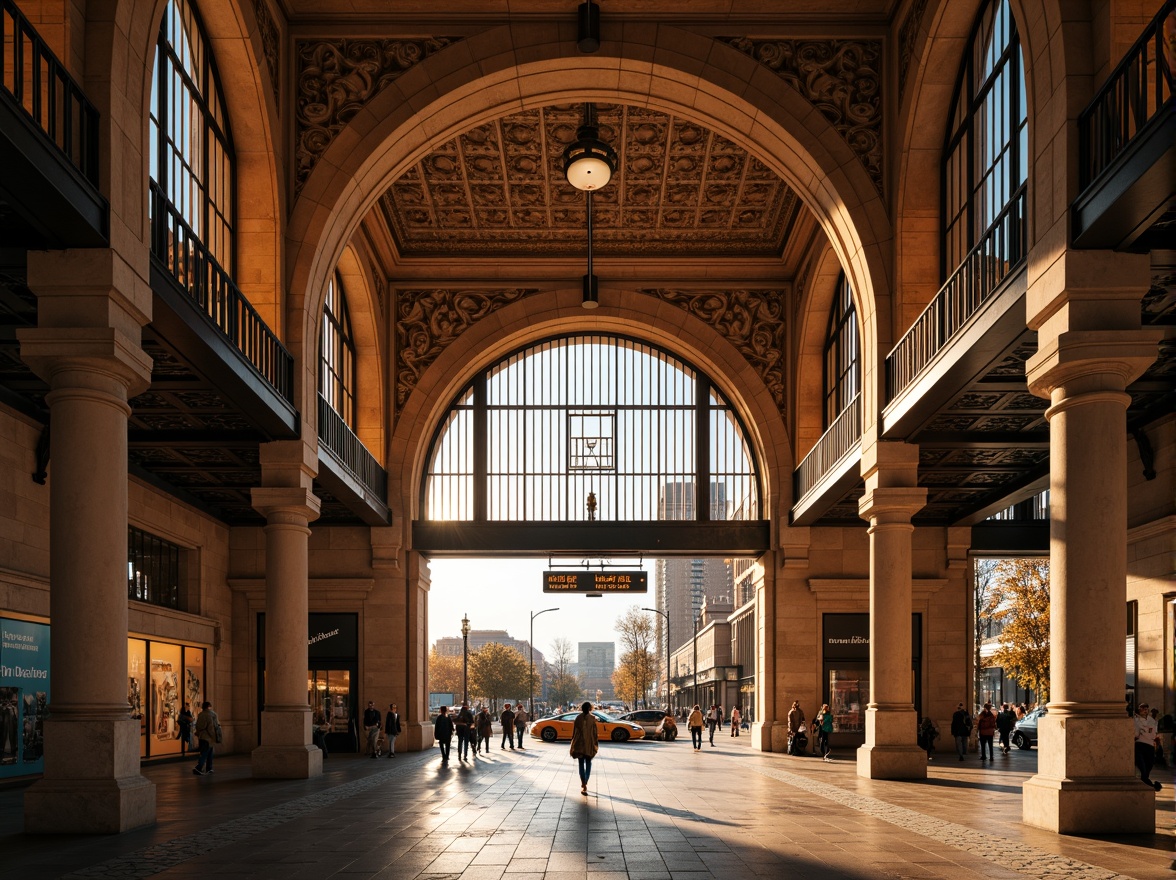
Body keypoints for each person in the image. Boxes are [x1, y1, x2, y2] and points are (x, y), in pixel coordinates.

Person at [569, 701, 599, 795]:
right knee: (589, 762)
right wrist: (595, 744)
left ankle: (583, 784)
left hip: (579, 744)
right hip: (589, 744)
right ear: (590, 708)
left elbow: (574, 733)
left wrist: (573, 743)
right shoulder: (593, 719)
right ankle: (585, 781)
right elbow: (595, 733)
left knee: (581, 764)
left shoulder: (578, 718)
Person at [1133, 701, 1162, 791]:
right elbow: (1136, 733)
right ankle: (1151, 786)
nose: (1144, 710)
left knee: (1148, 767)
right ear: (1139, 710)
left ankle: (1148, 786)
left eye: (1146, 708)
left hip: (1149, 745)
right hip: (1139, 745)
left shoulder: (1152, 720)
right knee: (1142, 768)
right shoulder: (1135, 720)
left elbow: (1153, 734)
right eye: (1142, 708)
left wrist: (1144, 731)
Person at [192, 700, 219, 776]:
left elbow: (198, 726)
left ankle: (207, 768)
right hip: (209, 738)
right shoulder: (212, 715)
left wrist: (198, 733)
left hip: (202, 737)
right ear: (209, 707)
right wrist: (215, 737)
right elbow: (212, 728)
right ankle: (200, 768)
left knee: (205, 752)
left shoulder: (201, 714)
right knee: (207, 753)